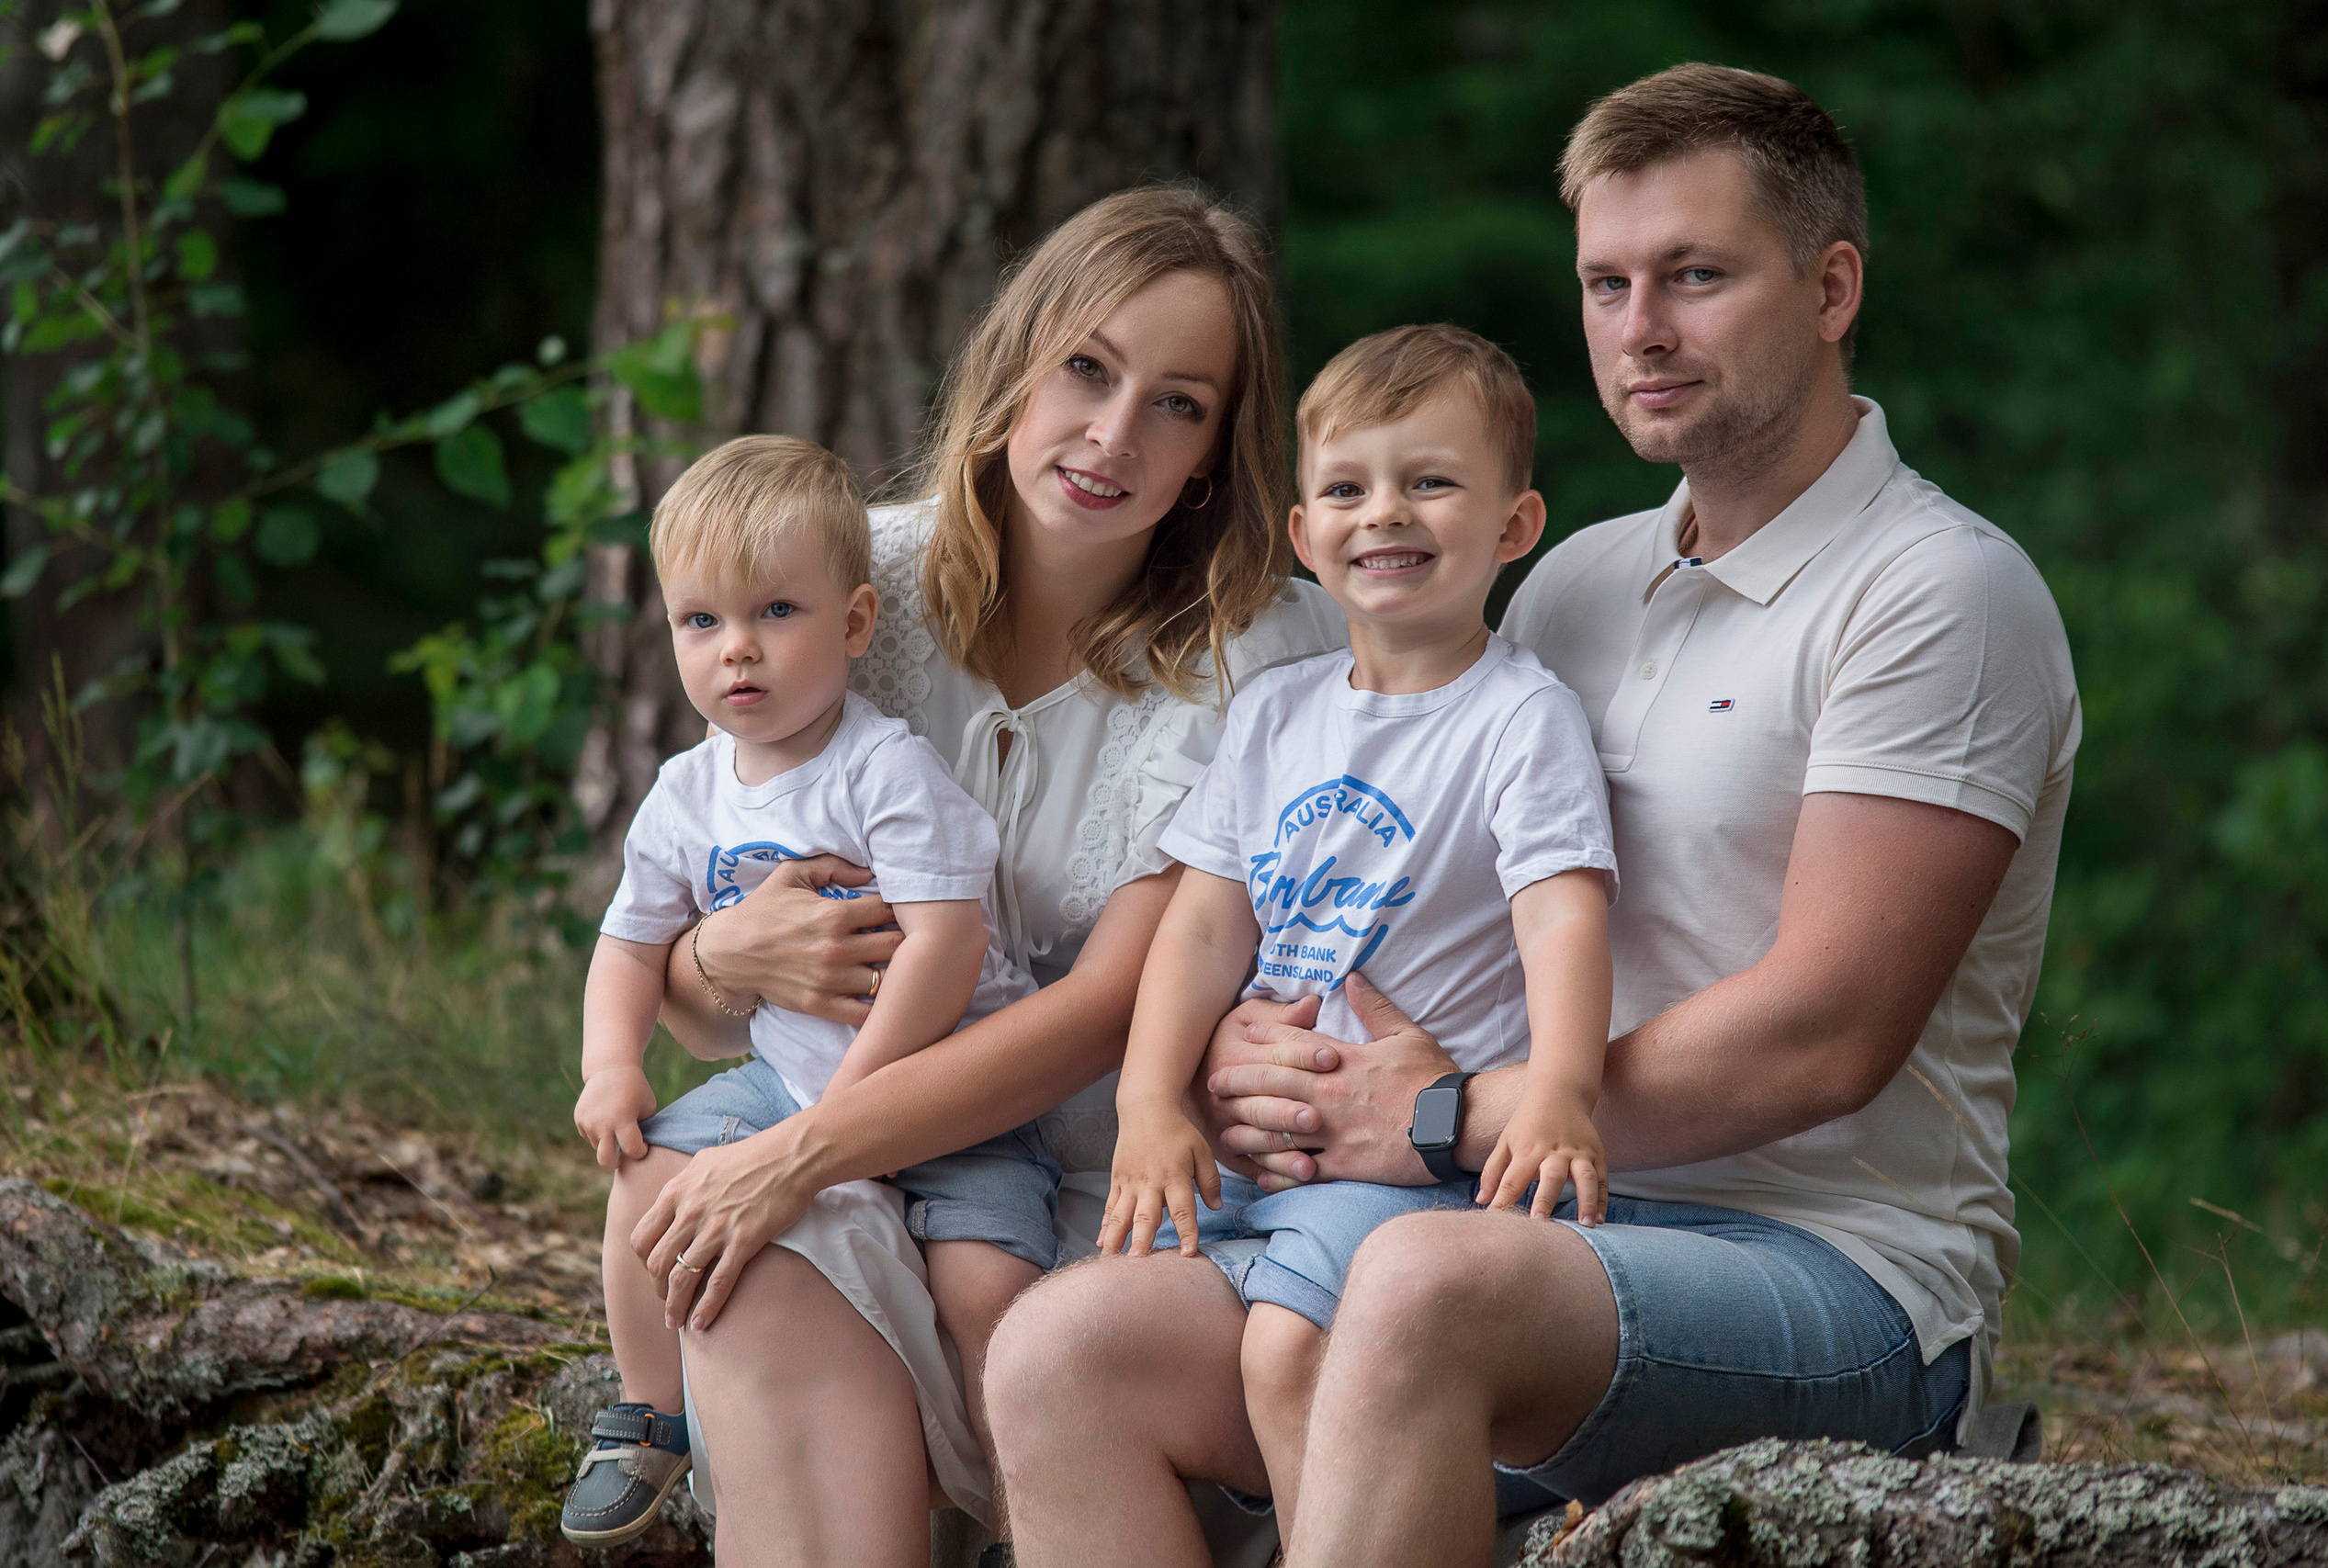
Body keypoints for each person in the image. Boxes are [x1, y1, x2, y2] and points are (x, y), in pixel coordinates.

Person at [988, 63, 2082, 1568]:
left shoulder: (1937, 593)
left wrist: (1436, 1113)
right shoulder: (1570, 586)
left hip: (1827, 1269)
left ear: (1832, 288)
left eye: (1697, 275)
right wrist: (1265, 1046)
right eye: (1608, 281)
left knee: (1422, 1289)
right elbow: (1377, 855)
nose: (1642, 325)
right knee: (1068, 1344)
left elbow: (1827, 1034)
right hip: (1526, 1222)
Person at [623, 186, 1346, 1565]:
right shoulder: (850, 584)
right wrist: (726, 960)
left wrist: (800, 1152)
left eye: (1177, 403)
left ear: (1212, 453)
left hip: (1117, 1192)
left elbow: (1113, 1002)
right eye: (1086, 367)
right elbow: (693, 989)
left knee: (786, 1215)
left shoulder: (1259, 646)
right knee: (733, 1253)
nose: (1112, 434)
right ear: (1015, 360)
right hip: (854, 1157)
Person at [1098, 322, 1619, 1534]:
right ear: (1302, 535)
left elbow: (1564, 917)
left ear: (1514, 525)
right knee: (1100, 1320)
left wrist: (1559, 1089)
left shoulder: (1519, 717)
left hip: (1400, 1171)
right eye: (1347, 486)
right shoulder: (1277, 712)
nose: (1385, 512)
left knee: (1286, 1350)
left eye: (1429, 480)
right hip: (1254, 1152)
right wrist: (1147, 1101)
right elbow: (1199, 930)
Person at [559, 436, 1050, 1547]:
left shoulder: (885, 771)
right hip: (787, 1079)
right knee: (646, 1182)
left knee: (986, 1290)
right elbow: (629, 944)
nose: (737, 650)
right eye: (701, 622)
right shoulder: (688, 793)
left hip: (951, 1100)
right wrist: (610, 1065)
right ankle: (648, 1407)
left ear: (855, 624)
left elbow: (945, 949)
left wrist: (860, 1109)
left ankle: (1015, 1496)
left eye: (775, 611)